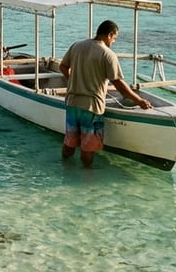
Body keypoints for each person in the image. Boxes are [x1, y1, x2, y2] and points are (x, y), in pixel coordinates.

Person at [58, 19, 152, 167]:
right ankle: (86, 179)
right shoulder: (108, 54)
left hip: (72, 103)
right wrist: (139, 100)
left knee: (69, 142)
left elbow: (63, 66)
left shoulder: (77, 46)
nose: (113, 42)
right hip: (91, 107)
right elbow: (119, 85)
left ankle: (64, 168)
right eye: (114, 39)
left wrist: (74, 80)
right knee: (87, 147)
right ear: (109, 35)